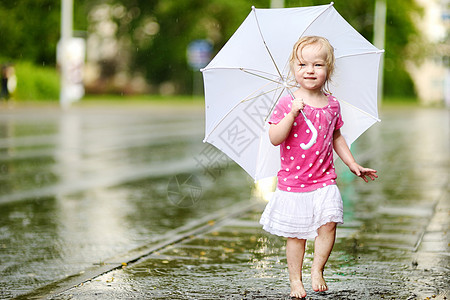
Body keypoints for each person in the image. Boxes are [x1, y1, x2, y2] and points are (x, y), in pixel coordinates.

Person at [259, 36, 378, 299]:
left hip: (324, 180)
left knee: (329, 224)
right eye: (302, 64)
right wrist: (292, 114)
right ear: (293, 68)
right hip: (294, 183)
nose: (310, 70)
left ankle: (317, 269)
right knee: (297, 235)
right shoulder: (287, 103)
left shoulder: (332, 104)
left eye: (317, 65)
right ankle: (295, 281)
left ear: (328, 69)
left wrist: (352, 163)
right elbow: (274, 137)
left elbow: (336, 137)